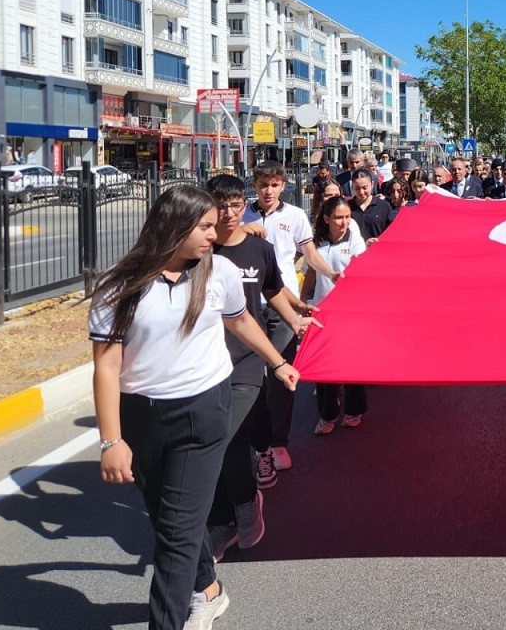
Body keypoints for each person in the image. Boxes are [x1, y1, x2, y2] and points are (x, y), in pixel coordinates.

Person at [90, 185, 300, 630]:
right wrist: (112, 441)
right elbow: (106, 366)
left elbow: (240, 320)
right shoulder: (119, 285)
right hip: (142, 415)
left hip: (204, 410)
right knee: (166, 517)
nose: (213, 233)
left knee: (178, 534)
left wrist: (278, 363)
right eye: (204, 226)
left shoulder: (219, 272)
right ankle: (209, 590)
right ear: (175, 225)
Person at [204, 176, 319, 565]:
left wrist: (295, 320)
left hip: (247, 359)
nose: (229, 213)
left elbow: (273, 290)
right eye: (221, 205)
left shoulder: (260, 249)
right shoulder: (199, 249)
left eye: (236, 204)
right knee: (209, 445)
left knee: (229, 438)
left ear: (244, 204)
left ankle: (243, 504)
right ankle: (222, 519)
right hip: (206, 363)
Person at [242, 161, 339, 483]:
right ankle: (253, 442)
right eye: (263, 185)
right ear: (254, 186)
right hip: (246, 306)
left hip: (284, 307)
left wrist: (333, 274)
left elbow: (309, 255)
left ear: (283, 185)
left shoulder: (295, 216)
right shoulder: (242, 215)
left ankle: (278, 443)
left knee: (282, 376)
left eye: (274, 184)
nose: (268, 191)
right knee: (249, 378)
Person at [302, 196, 368, 435]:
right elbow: (311, 271)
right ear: (326, 218)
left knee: (351, 361)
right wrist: (302, 299)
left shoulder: (355, 240)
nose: (344, 222)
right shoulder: (316, 242)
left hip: (351, 311)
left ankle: (354, 410)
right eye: (338, 218)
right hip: (323, 309)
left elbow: (362, 271)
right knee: (324, 362)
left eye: (347, 217)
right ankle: (327, 414)